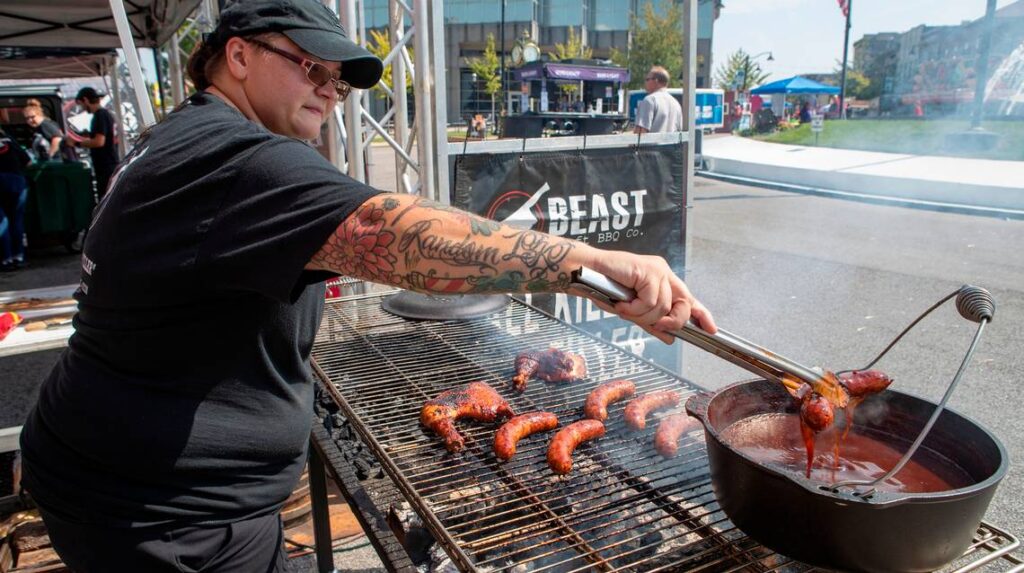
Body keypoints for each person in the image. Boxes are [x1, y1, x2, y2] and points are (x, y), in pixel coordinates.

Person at [18, 1, 716, 571]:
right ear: (237, 56)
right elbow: (402, 234)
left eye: (339, 80)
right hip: (166, 513)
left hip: (120, 472)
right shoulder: (235, 157)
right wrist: (589, 266)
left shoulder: (185, 137)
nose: (330, 88)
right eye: (310, 67)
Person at [66, 86, 119, 200]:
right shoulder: (103, 115)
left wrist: (76, 143)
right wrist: (88, 135)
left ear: (85, 100)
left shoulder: (100, 115)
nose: (82, 108)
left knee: (106, 198)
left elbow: (99, 142)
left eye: (81, 104)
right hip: (106, 164)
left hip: (106, 165)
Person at [0, 128, 30, 271]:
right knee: (16, 220)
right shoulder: (9, 139)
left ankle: (6, 259)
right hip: (16, 182)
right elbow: (27, 161)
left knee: (2, 222)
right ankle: (19, 256)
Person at [633, 66, 683, 134]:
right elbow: (679, 130)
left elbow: (641, 131)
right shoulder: (676, 103)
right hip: (671, 144)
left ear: (655, 81)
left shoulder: (650, 100)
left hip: (651, 144)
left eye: (647, 79)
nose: (645, 82)